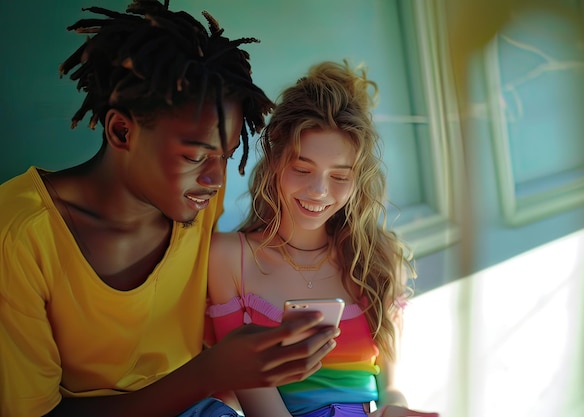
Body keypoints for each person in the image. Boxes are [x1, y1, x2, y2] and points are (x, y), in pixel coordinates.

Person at [0, 2, 340, 417]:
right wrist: (209, 373)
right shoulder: (19, 234)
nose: (216, 180)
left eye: (226, 156)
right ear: (122, 131)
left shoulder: (198, 198)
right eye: (195, 157)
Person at [206, 61, 439, 417]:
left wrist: (394, 410)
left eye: (340, 177)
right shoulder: (227, 259)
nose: (319, 192)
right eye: (302, 169)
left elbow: (390, 387)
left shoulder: (379, 260)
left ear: (358, 179)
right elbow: (256, 404)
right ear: (275, 162)